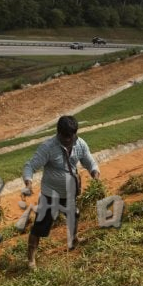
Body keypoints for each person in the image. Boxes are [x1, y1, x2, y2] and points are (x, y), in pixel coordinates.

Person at [22, 115, 100, 269]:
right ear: (58, 133)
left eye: (70, 137)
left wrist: (95, 173)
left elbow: (89, 161)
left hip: (70, 193)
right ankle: (31, 259)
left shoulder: (80, 144)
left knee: (74, 214)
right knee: (40, 227)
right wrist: (28, 183)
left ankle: (75, 239)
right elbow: (30, 166)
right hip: (50, 195)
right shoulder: (48, 147)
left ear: (74, 134)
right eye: (64, 137)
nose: (67, 140)